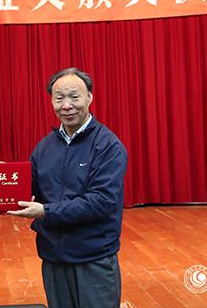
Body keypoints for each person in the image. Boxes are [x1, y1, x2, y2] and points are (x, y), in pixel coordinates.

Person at [8, 67, 128, 308]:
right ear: (51, 101)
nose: (66, 105)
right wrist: (0, 180)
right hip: (54, 258)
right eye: (59, 98)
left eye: (74, 97)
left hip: (94, 258)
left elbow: (101, 202)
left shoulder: (108, 146)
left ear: (89, 97)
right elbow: (25, 187)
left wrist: (45, 211)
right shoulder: (44, 147)